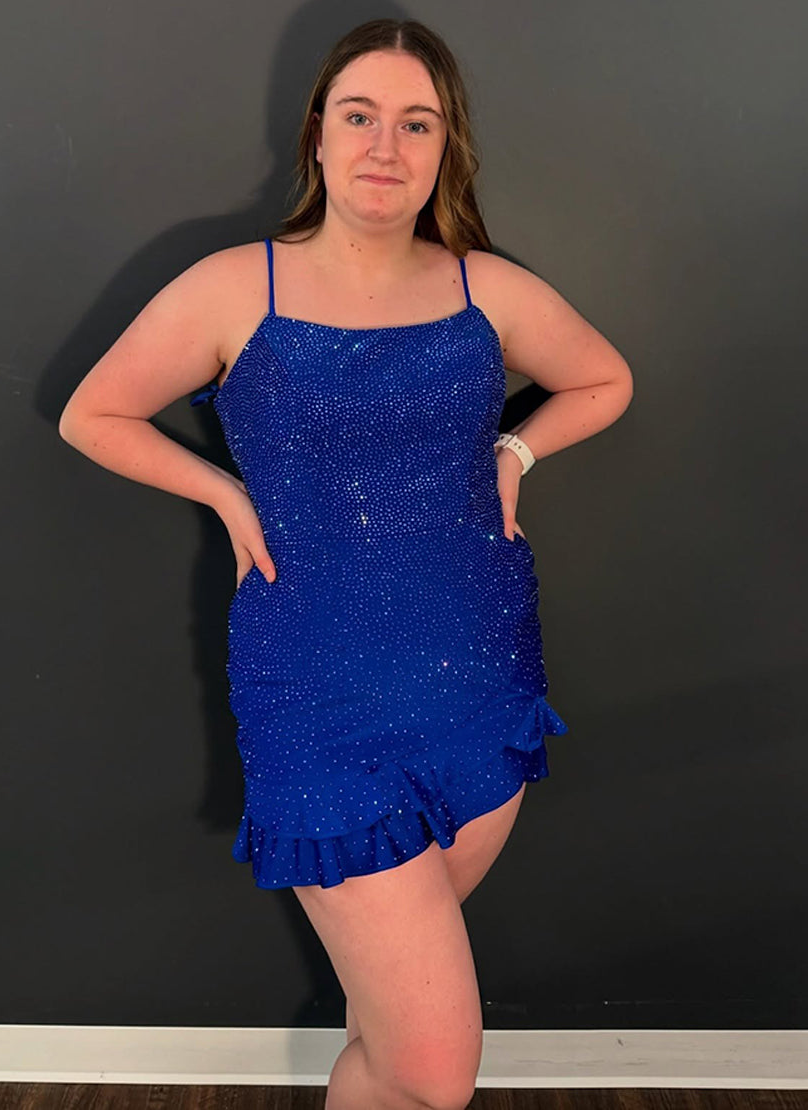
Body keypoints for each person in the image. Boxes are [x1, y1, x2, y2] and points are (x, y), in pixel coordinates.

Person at [59, 16, 633, 1110]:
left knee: (390, 1039)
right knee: (434, 1068)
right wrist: (225, 491)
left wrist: (514, 450)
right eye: (360, 115)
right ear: (317, 135)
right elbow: (94, 413)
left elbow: (606, 380)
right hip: (319, 700)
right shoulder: (235, 287)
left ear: (445, 148)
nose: (385, 145)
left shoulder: (485, 290)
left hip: (478, 681)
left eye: (417, 123)